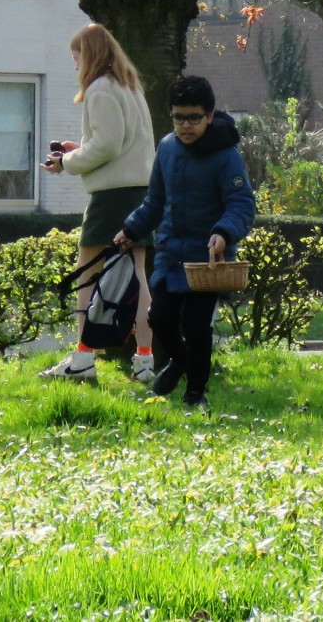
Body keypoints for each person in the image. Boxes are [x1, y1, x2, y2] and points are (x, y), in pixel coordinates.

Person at [113, 75, 254, 409]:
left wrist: (223, 232)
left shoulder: (226, 155)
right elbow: (155, 202)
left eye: (194, 117)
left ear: (209, 115)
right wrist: (131, 229)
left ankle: (195, 394)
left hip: (208, 261)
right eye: (179, 117)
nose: (186, 125)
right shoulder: (166, 148)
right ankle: (179, 360)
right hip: (171, 255)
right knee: (158, 318)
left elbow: (242, 204)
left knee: (196, 325)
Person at [40, 23, 159, 384]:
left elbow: (107, 146)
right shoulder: (129, 86)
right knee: (137, 280)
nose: (75, 67)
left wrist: (67, 162)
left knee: (88, 275)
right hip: (139, 193)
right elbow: (119, 144)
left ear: (89, 55)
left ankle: (83, 359)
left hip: (111, 198)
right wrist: (81, 151)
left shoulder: (99, 90)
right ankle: (144, 362)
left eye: (77, 58)